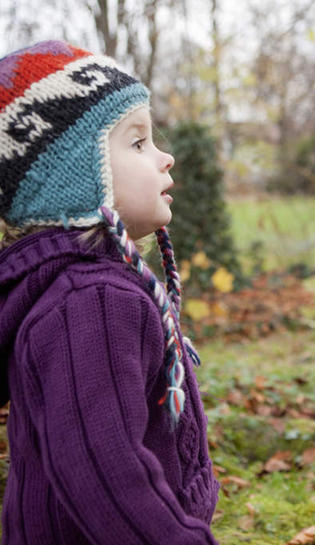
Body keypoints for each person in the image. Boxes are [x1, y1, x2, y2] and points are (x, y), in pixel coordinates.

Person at [0, 41, 219, 542]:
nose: (164, 157)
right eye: (138, 143)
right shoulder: (91, 302)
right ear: (75, 179)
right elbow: (102, 472)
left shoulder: (87, 288)